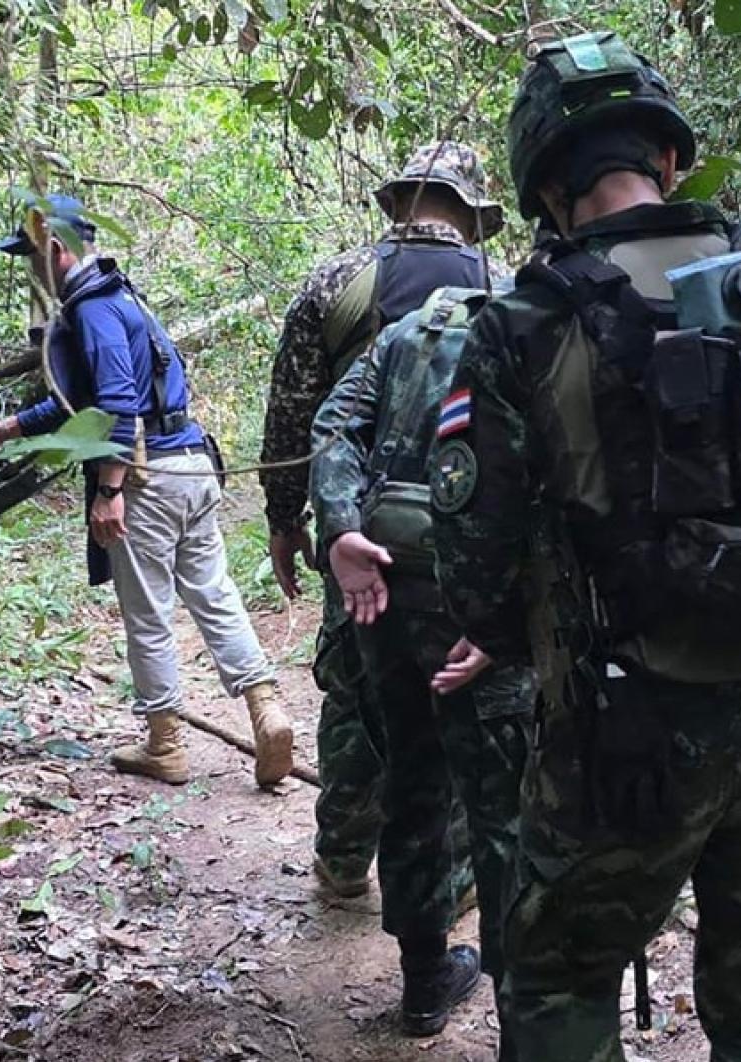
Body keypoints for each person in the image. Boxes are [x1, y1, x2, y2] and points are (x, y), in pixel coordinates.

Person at [431, 32, 741, 1062]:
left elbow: (474, 564)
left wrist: (532, 638)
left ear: (550, 189)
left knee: (558, 972)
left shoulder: (524, 324)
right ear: (672, 160)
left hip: (622, 724)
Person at [0, 195, 294, 790]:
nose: (30, 272)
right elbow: (80, 398)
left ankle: (165, 744)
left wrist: (109, 490)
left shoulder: (91, 312)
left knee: (147, 613)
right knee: (214, 593)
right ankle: (267, 709)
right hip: (192, 466)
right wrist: (7, 429)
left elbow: (115, 401)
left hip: (147, 479)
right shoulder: (120, 298)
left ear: (56, 249)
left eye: (32, 258)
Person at [259, 143, 505, 898]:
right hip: (470, 534)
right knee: (462, 692)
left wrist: (289, 519)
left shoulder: (339, 281)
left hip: (359, 532)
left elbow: (297, 412)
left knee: (355, 687)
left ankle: (341, 857)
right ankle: (452, 879)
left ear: (398, 204)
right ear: (471, 215)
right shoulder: (509, 287)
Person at [309, 285, 535, 1052]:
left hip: (382, 584)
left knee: (411, 779)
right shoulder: (516, 331)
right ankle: (522, 1023)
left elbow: (333, 429)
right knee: (503, 809)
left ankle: (423, 983)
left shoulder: (401, 334)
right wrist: (512, 614)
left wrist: (339, 528)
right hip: (471, 596)